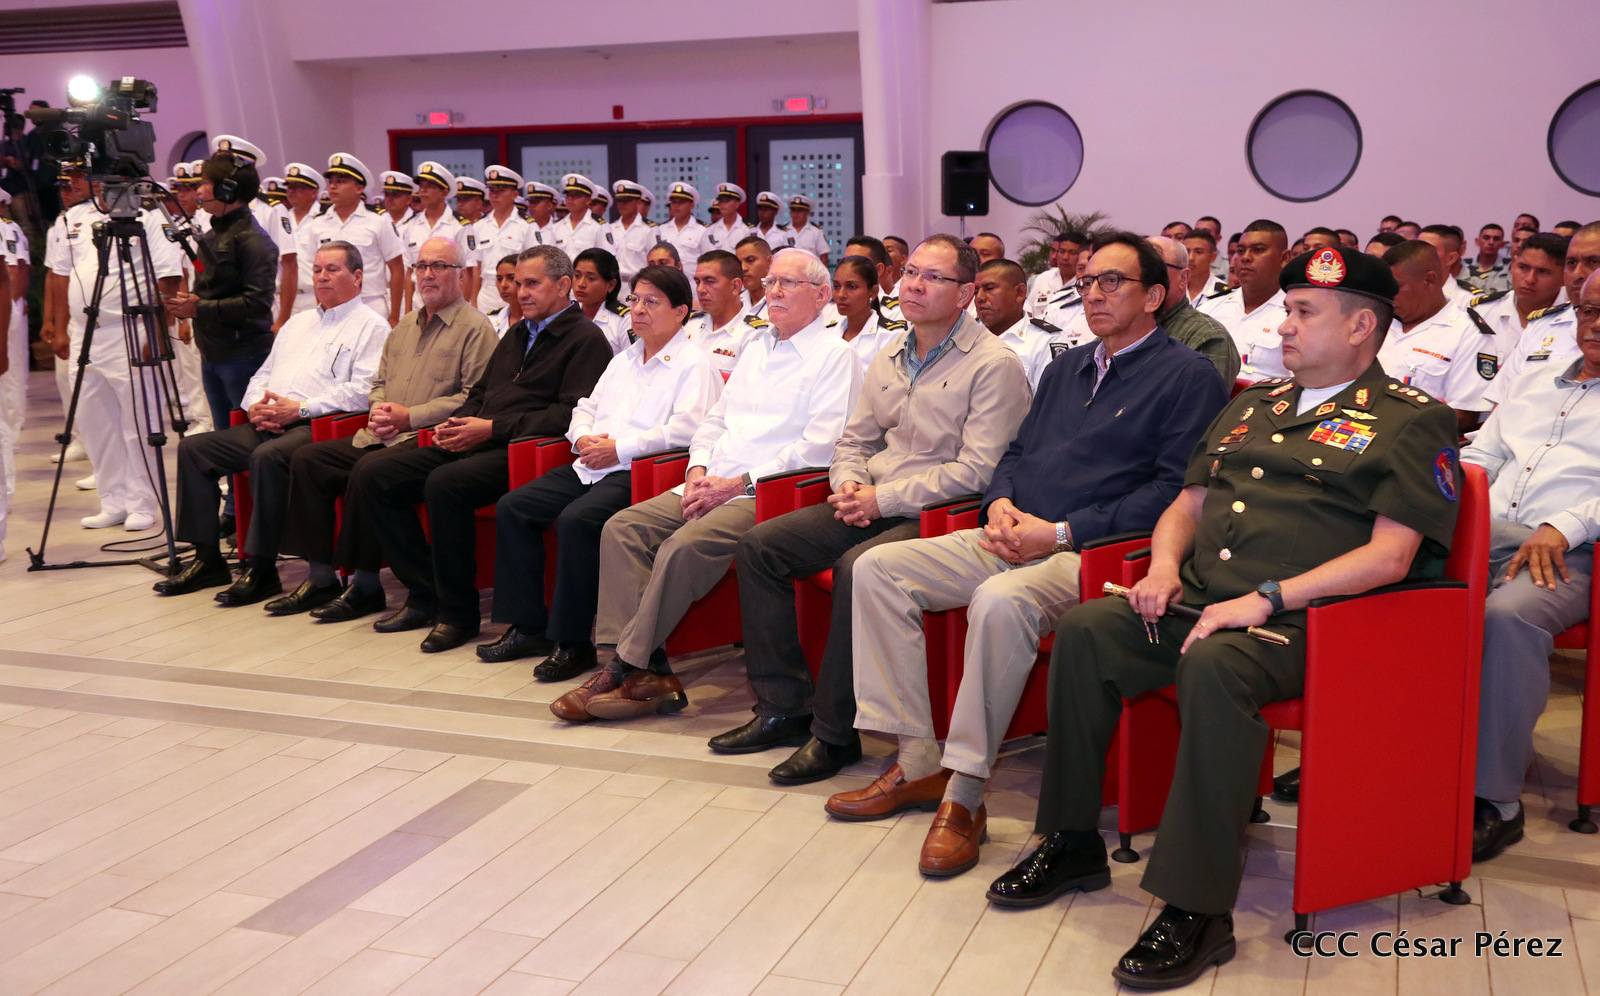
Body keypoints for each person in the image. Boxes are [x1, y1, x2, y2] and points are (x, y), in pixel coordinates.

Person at [995, 247, 1459, 990]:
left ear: (1361, 326)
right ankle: (1072, 839)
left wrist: (1269, 597)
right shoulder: (1252, 405)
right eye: (1287, 310)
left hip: (1314, 625)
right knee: (1087, 630)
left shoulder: (1412, 421)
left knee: (1216, 666)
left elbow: (1391, 557)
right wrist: (1162, 568)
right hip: (1203, 602)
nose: (1284, 326)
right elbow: (1188, 504)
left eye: (1304, 312)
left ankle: (1198, 907)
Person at [833, 232, 1229, 876]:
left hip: (1096, 552)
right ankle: (917, 759)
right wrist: (1000, 503)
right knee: (877, 569)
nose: (1094, 294)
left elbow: (1172, 493)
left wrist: (1062, 532)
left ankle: (965, 794)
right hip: (1015, 532)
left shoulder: (1188, 376)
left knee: (999, 601)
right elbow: (1015, 453)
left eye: (1113, 282)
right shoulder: (1069, 367)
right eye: (1089, 282)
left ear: (1155, 296)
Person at [714, 235, 1031, 776]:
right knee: (760, 546)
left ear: (965, 294)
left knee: (856, 568)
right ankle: (783, 706)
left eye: (933, 277)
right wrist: (848, 484)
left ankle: (835, 735)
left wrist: (880, 500)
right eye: (910, 273)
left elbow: (977, 472)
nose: (914, 285)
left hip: (941, 513)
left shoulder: (993, 363)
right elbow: (854, 440)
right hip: (870, 498)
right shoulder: (890, 353)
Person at [555, 248, 861, 722]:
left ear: (822, 296)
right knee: (623, 527)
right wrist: (697, 470)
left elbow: (818, 448)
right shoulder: (757, 347)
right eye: (771, 282)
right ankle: (648, 671)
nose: (774, 291)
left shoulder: (836, 356)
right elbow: (714, 421)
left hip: (768, 490)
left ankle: (622, 667)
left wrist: (735, 484)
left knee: (684, 546)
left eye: (789, 283)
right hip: (712, 479)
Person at [354, 245, 612, 652]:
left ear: (564, 285)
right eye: (518, 283)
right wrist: (457, 423)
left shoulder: (586, 339)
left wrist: (491, 428)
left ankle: (458, 614)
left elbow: (567, 414)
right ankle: (425, 592)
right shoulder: (517, 333)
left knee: (445, 483)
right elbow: (481, 392)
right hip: (481, 436)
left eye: (532, 283)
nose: (521, 292)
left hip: (524, 449)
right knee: (374, 473)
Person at [477, 265, 722, 675]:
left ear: (681, 312)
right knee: (515, 506)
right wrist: (584, 437)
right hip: (592, 463)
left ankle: (573, 643)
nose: (638, 310)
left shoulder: (694, 364)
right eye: (634, 300)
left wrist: (619, 449)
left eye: (651, 302)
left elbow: (688, 430)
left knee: (578, 520)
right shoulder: (624, 359)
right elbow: (584, 407)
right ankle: (527, 626)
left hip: (640, 473)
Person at [270, 236, 497, 619]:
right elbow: (378, 384)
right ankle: (321, 577)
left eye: (439, 266)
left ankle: (370, 584)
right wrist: (378, 410)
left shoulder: (476, 328)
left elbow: (473, 398)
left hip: (429, 436)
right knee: (309, 459)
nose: (427, 274)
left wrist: (411, 416)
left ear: (461, 275)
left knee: (369, 471)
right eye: (421, 266)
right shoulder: (405, 325)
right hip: (383, 432)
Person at [156, 241, 389, 599]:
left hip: (320, 427)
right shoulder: (298, 323)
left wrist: (300, 409)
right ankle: (207, 560)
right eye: (318, 269)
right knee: (194, 449)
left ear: (357, 277)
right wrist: (255, 406)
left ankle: (262, 568)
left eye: (333, 269)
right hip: (270, 420)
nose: (322, 277)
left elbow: (362, 392)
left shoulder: (371, 327)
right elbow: (262, 375)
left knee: (267, 457)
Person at [1467, 269, 1600, 863]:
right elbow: (1481, 454)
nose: (1594, 325)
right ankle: (1361, 752)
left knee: (1508, 617)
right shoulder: (1537, 379)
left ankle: (1494, 800)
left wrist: (1565, 525)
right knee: (1384, 579)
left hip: (1571, 554)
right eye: (1588, 311)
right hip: (1488, 534)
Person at [48, 161, 184, 532]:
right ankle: (113, 500)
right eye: (97, 181)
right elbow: (60, 275)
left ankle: (142, 502)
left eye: (107, 181)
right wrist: (60, 327)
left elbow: (169, 276)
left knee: (139, 422)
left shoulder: (149, 218)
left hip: (131, 328)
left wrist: (158, 332)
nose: (100, 187)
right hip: (85, 331)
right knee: (94, 422)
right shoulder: (75, 218)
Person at [1379, 241, 1498, 432]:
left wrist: (1386, 419)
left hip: (1414, 439)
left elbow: (1464, 416)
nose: (1388, 294)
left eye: (1396, 286)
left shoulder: (1469, 335)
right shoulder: (1378, 322)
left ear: (1429, 280)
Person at [1487, 222, 1600, 406]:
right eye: (1571, 263)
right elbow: (1501, 405)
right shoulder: (1540, 327)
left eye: (1593, 262)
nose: (1577, 274)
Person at [305, 154, 405, 326]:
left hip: (370, 303)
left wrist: (395, 316)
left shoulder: (378, 220)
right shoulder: (318, 223)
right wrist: (321, 306)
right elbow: (315, 271)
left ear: (359, 188)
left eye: (341, 181)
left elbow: (397, 268)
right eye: (331, 181)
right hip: (332, 305)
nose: (333, 186)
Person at [1198, 219, 1289, 381]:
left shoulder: (1295, 316)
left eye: (1258, 250)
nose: (1245, 257)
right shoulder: (1208, 309)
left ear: (1284, 258)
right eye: (1240, 251)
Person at [977, 257, 1083, 392]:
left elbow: (1056, 400)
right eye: (975, 291)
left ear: (1019, 293)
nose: (979, 297)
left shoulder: (1047, 343)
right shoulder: (965, 336)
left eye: (989, 288)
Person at [1150, 236, 1241, 384]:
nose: (1140, 276)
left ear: (1183, 277)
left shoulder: (1208, 337)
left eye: (1152, 266)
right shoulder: (1124, 325)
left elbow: (1202, 398)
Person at [1472, 233, 1568, 363]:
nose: (1530, 279)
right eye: (1523, 267)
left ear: (1564, 276)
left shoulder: (1575, 321)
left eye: (1543, 272)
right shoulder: (1481, 313)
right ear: (1513, 265)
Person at [399, 162, 465, 312]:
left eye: (430, 186)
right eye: (421, 185)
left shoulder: (459, 226)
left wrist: (463, 310)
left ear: (444, 192)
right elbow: (409, 272)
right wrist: (408, 310)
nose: (423, 190)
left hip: (450, 304)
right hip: (418, 304)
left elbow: (467, 273)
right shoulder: (411, 225)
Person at [825, 255, 904, 372]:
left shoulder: (889, 336)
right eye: (836, 286)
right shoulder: (826, 333)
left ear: (873, 292)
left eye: (852, 287)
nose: (841, 294)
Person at [685, 249, 756, 379]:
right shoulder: (689, 325)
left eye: (709, 281)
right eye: (698, 282)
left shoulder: (753, 335)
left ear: (735, 286)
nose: (700, 290)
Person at [471, 166, 530, 313]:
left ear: (514, 194)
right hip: (487, 293)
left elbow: (533, 266)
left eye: (500, 191)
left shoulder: (527, 225)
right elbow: (476, 269)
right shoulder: (479, 225)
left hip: (517, 290)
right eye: (492, 190)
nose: (494, 195)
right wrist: (473, 301)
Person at [281, 163, 326, 319]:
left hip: (314, 297)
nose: (291, 190)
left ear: (314, 193)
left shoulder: (325, 218)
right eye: (289, 186)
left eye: (298, 187)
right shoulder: (282, 217)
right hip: (284, 298)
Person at [572, 246, 631, 354]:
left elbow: (632, 361)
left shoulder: (625, 321)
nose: (581, 284)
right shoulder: (569, 314)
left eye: (591, 278)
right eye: (577, 275)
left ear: (611, 285)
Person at [1026, 231, 1087, 320]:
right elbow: (1028, 309)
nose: (1065, 257)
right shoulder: (1043, 278)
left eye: (1072, 252)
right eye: (1062, 251)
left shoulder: (1085, 282)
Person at [604, 180, 653, 285]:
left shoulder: (649, 230)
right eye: (619, 201)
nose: (622, 204)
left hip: (639, 284)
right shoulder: (610, 229)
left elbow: (655, 263)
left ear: (638, 202)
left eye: (627, 200)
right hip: (613, 284)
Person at [1418, 224, 1476, 309]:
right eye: (1416, 248)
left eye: (1428, 250)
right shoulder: (1403, 293)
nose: (1419, 255)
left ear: (1451, 258)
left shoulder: (1468, 301)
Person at [655, 183, 705, 275]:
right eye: (673, 202)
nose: (676, 206)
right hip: (666, 280)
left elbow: (708, 261)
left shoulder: (702, 230)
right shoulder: (661, 230)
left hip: (692, 282)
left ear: (691, 205)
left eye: (681, 202)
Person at [698, 182, 751, 257]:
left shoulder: (748, 229)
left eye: (727, 201)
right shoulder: (711, 230)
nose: (722, 204)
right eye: (721, 201)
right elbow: (705, 256)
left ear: (737, 204)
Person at [1181, 230, 1230, 303]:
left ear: (1213, 257)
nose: (1190, 257)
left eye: (1198, 252)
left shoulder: (1225, 294)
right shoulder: (1173, 289)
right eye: (1187, 251)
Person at [734, 235, 774, 322]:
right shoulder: (733, 302)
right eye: (739, 263)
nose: (743, 268)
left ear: (769, 262)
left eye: (750, 260)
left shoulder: (783, 301)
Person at [1464, 223, 1512, 295]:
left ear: (1502, 244)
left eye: (1496, 239)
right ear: (1477, 241)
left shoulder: (1510, 267)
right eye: (1486, 238)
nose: (1491, 242)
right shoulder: (1464, 265)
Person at [786, 195, 831, 266]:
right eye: (793, 210)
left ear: (807, 213)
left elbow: (824, 256)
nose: (796, 213)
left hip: (810, 271)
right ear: (790, 213)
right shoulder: (783, 231)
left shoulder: (816, 231)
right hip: (787, 270)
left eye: (800, 210)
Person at [484, 254, 521, 339]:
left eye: (511, 278)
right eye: (499, 279)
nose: (503, 285)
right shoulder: (491, 320)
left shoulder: (539, 320)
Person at [522, 181, 560, 251]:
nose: (531, 205)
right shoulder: (524, 227)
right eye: (530, 202)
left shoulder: (559, 228)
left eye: (536, 202)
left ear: (549, 206)